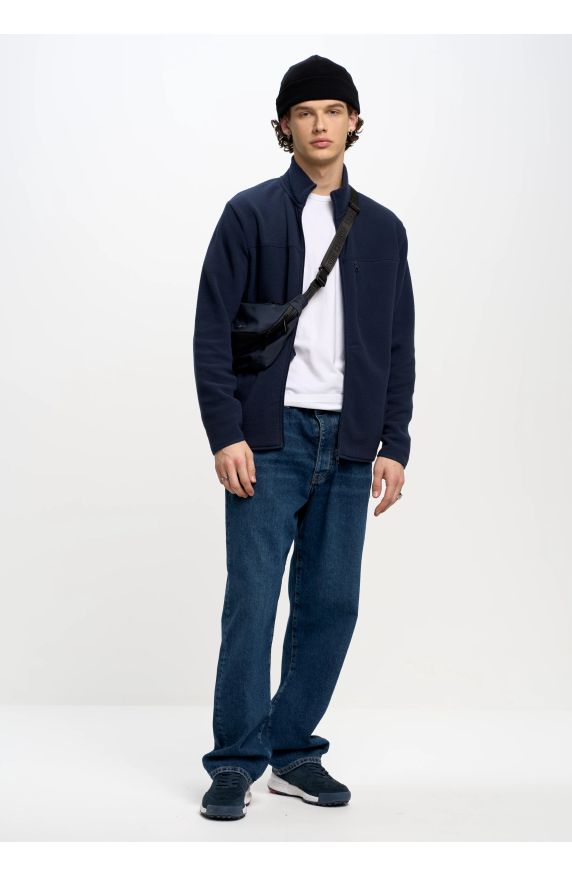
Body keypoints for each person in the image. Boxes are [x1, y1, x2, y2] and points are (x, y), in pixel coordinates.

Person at [193, 54, 416, 821]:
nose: (320, 124)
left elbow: (397, 345)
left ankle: (291, 750)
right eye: (305, 112)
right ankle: (235, 760)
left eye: (332, 110)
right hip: (269, 437)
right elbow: (212, 330)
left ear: (353, 122)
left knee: (332, 603)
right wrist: (226, 430)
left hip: (350, 444)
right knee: (252, 602)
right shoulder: (249, 214)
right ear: (284, 126)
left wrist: (394, 441)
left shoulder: (382, 229)